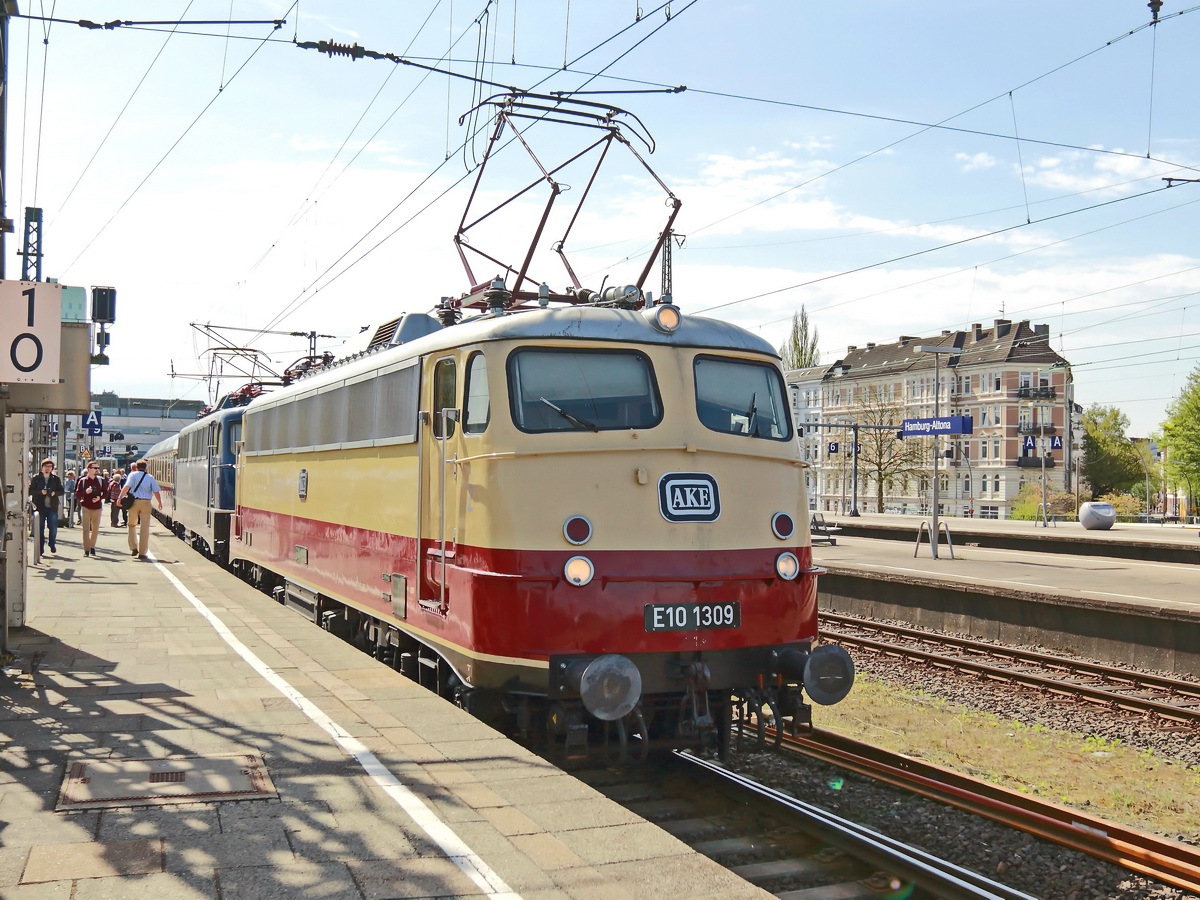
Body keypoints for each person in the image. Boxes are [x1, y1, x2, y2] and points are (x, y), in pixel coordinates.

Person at [118, 460, 162, 560]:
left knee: (131, 525)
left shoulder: (132, 475)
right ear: (146, 467)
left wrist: (119, 498)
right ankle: (142, 552)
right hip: (146, 503)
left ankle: (133, 547)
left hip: (134, 502)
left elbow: (126, 487)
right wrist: (159, 502)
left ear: (136, 467)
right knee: (145, 528)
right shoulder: (150, 477)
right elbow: (156, 491)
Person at [29, 459, 64, 557]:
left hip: (52, 506)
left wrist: (54, 493)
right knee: (40, 528)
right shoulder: (36, 478)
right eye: (46, 466)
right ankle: (40, 549)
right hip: (39, 507)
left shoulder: (55, 479)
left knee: (53, 527)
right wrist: (41, 492)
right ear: (42, 467)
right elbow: (30, 491)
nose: (48, 468)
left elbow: (61, 491)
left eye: (50, 466)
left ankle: (52, 543)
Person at [75, 462, 106, 557]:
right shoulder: (83, 481)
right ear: (88, 469)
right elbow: (77, 494)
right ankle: (86, 549)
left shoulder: (101, 480)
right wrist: (86, 492)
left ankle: (92, 546)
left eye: (97, 468)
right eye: (94, 468)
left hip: (97, 507)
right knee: (85, 529)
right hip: (86, 507)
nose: (96, 470)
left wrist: (99, 498)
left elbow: (106, 493)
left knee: (95, 529)